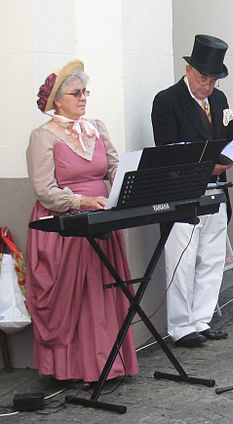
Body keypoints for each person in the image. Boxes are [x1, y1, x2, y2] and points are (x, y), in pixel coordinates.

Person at [26, 60, 138, 384]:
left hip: (102, 219)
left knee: (103, 293)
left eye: (85, 92)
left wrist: (126, 187)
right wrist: (82, 201)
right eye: (76, 93)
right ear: (57, 100)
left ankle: (110, 364)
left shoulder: (96, 128)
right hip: (65, 228)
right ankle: (73, 369)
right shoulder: (42, 137)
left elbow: (114, 167)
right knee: (78, 298)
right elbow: (44, 189)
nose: (83, 98)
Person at [151, 34, 233, 348]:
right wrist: (208, 167)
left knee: (212, 257)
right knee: (182, 260)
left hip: (216, 190)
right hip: (182, 191)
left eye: (212, 81)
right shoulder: (167, 101)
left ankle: (201, 319)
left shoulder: (220, 101)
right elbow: (169, 150)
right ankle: (181, 326)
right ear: (188, 71)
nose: (207, 86)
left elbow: (226, 135)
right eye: (202, 79)